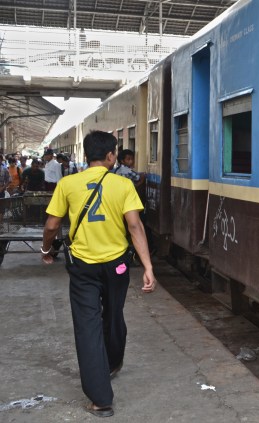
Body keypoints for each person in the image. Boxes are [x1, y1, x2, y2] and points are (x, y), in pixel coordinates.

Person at [41, 131, 156, 418]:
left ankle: (101, 399)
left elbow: (52, 224)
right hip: (117, 265)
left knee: (88, 325)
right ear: (109, 156)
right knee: (114, 314)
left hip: (83, 267)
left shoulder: (68, 184)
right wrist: (148, 267)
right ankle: (113, 362)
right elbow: (134, 227)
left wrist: (46, 250)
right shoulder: (123, 184)